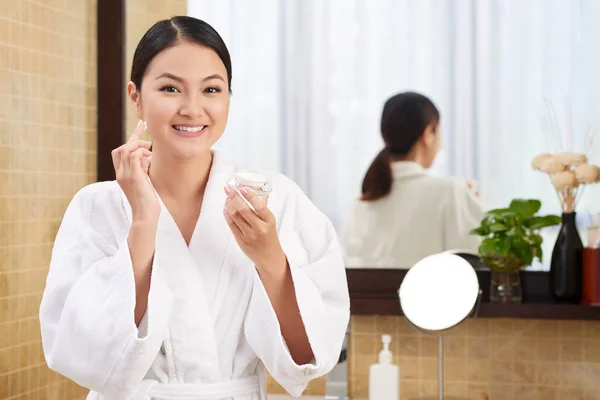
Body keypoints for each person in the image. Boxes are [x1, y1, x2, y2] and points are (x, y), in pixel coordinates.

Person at [39, 16, 350, 400]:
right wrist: (142, 224)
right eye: (170, 88)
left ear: (228, 98)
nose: (192, 108)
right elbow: (83, 355)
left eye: (211, 90)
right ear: (135, 96)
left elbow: (310, 359)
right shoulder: (96, 208)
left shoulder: (275, 200)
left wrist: (271, 259)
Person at [342, 92, 484, 269]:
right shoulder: (451, 191)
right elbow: (481, 264)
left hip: (368, 297)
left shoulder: (362, 203)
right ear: (428, 134)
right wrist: (470, 200)